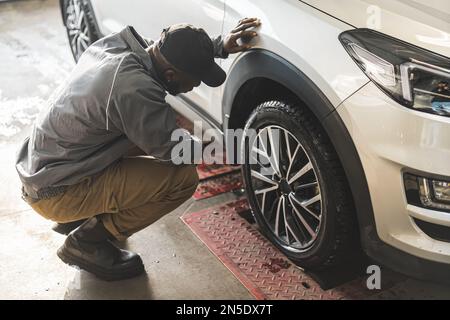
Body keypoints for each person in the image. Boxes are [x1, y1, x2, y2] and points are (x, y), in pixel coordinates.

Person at [16, 18, 261, 281]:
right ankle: (87, 243)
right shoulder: (135, 89)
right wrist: (232, 146)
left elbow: (163, 51)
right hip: (56, 191)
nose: (196, 86)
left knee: (141, 137)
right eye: (195, 79)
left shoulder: (118, 47)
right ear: (170, 75)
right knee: (182, 179)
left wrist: (218, 46)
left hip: (46, 164)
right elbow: (175, 150)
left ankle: (84, 213)